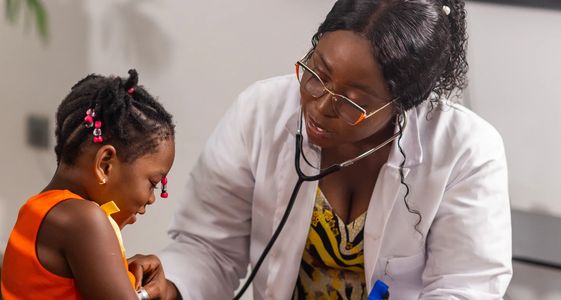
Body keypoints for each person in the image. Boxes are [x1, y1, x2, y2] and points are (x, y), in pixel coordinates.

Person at [133, 0, 512, 299]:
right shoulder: (260, 113)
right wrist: (172, 287)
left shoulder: (467, 153)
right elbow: (209, 247)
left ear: (404, 102)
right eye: (318, 73)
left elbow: (465, 287)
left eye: (354, 101)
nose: (320, 106)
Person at [0, 70, 175, 299]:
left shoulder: (37, 209)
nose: (151, 198)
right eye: (154, 183)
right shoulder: (85, 220)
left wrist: (124, 275)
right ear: (105, 165)